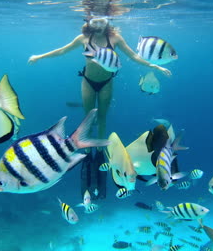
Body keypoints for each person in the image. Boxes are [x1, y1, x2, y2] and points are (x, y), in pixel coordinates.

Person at [28, 17, 172, 199]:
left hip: (106, 82)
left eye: (102, 21)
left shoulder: (116, 38)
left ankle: (102, 152)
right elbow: (62, 50)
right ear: (89, 21)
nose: (98, 25)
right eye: (95, 21)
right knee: (88, 118)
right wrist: (39, 57)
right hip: (88, 82)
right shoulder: (82, 38)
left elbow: (134, 56)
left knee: (102, 118)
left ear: (107, 22)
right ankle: (88, 152)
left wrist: (154, 65)